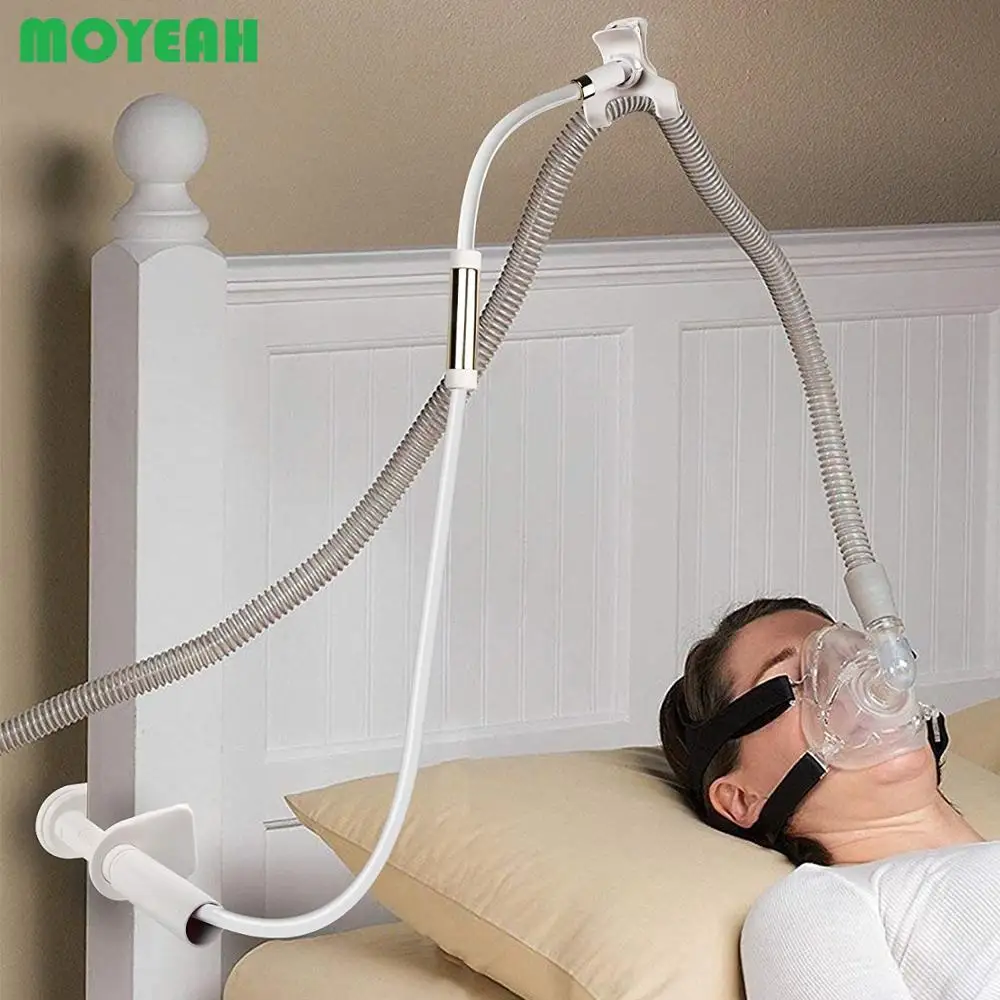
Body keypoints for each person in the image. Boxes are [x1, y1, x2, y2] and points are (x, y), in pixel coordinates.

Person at [659, 596, 1000, 1000]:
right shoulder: (812, 907)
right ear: (742, 799)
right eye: (797, 680)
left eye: (851, 655)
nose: (851, 684)